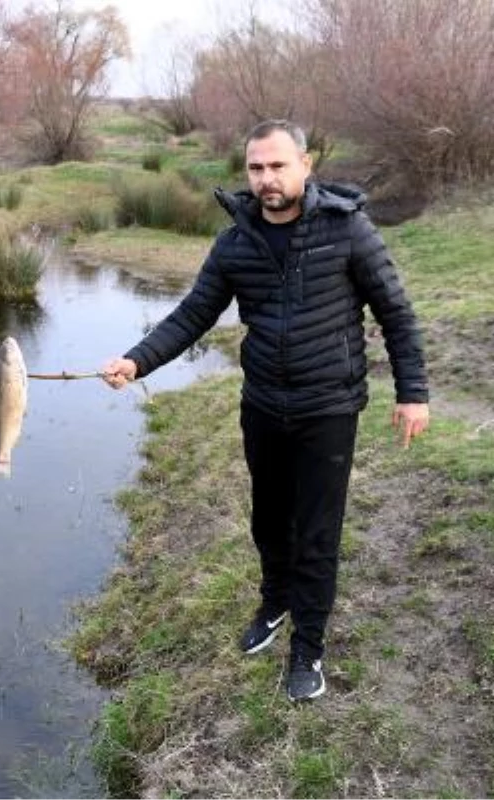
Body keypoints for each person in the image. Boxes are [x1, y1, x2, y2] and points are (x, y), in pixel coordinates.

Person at [101, 120, 430, 702]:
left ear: (305, 164)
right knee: (268, 521)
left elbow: (397, 314)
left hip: (328, 408)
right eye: (256, 168)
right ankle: (275, 599)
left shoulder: (348, 230)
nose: (266, 179)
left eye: (278, 166)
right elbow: (192, 314)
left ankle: (308, 649)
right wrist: (136, 361)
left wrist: (413, 393)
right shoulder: (236, 242)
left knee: (316, 535)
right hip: (263, 406)